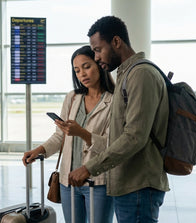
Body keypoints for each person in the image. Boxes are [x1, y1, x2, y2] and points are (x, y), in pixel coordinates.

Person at [68, 16, 170, 223]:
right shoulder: (127, 74)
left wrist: (89, 167)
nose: (96, 57)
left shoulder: (141, 74)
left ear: (116, 42)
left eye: (98, 49)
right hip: (128, 184)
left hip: (139, 185)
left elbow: (134, 137)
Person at [22, 45, 115, 223]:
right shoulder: (72, 98)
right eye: (77, 70)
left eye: (87, 67)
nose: (82, 74)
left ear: (99, 65)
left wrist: (82, 133)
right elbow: (60, 136)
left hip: (98, 181)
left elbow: (112, 145)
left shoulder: (114, 100)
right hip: (68, 181)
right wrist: (39, 150)